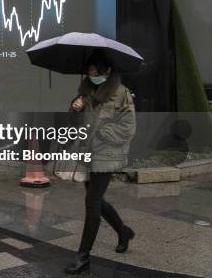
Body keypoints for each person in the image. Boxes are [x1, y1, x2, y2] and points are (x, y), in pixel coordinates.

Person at [65, 52, 137, 274]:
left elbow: (128, 128)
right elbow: (77, 124)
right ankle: (123, 231)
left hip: (107, 153)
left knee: (92, 203)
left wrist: (102, 131)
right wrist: (74, 109)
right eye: (89, 72)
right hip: (89, 152)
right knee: (95, 199)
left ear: (106, 72)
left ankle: (83, 255)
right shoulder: (86, 92)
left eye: (96, 72)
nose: (92, 75)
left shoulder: (121, 93)